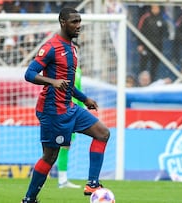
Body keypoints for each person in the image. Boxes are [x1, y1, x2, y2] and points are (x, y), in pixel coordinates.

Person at [21, 7, 110, 203]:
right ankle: (29, 199)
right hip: (52, 111)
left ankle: (92, 184)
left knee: (103, 133)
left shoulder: (72, 48)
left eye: (79, 21)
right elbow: (29, 74)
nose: (78, 26)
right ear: (63, 22)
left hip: (69, 107)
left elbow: (67, 83)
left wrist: (84, 98)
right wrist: (52, 82)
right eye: (74, 22)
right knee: (50, 156)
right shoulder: (51, 47)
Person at [57, 41, 83, 189]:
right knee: (58, 146)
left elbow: (80, 90)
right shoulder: (62, 69)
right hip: (62, 110)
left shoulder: (78, 70)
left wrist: (82, 111)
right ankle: (61, 180)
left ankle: (63, 180)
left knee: (65, 145)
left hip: (73, 112)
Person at [137, 4, 169, 81]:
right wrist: (140, 44)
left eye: (157, 8)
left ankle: (152, 82)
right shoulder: (145, 17)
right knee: (143, 67)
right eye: (154, 8)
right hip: (146, 46)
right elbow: (139, 31)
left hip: (157, 46)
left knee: (154, 67)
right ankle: (142, 82)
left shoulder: (162, 19)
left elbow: (166, 33)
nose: (155, 10)